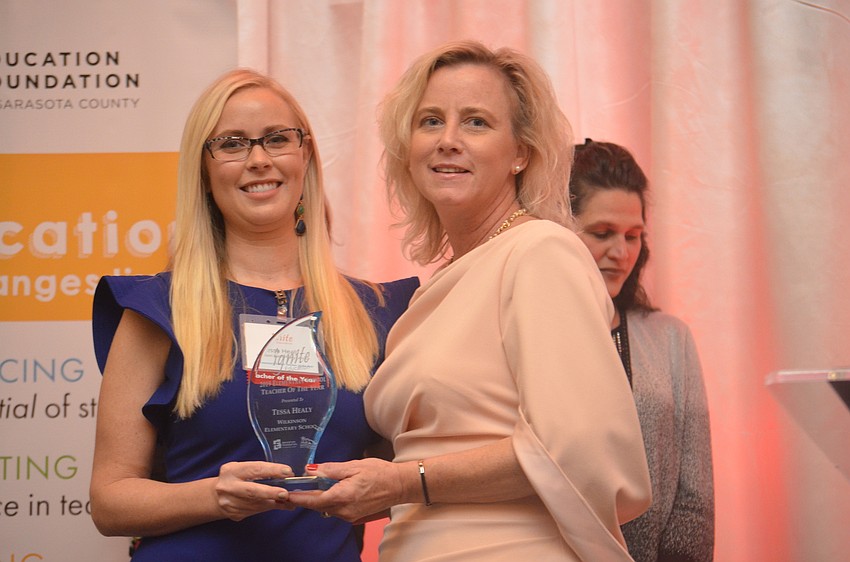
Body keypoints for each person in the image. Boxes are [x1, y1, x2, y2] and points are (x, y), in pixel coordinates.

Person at [285, 40, 652, 561]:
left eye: (476, 122)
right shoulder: (441, 285)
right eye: (430, 121)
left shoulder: (540, 251)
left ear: (521, 152)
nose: (448, 140)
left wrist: (404, 483)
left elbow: (573, 448)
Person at [88, 68, 419, 561]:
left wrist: (381, 492)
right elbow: (109, 502)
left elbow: (409, 477)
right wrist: (214, 497)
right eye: (232, 144)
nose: (259, 160)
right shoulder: (158, 309)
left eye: (276, 139)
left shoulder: (381, 312)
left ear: (304, 155)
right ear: (203, 169)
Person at [569, 139, 715, 561]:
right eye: (602, 233)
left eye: (634, 236)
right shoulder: (523, 331)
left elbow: (694, 500)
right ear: (558, 229)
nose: (621, 252)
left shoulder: (670, 339)